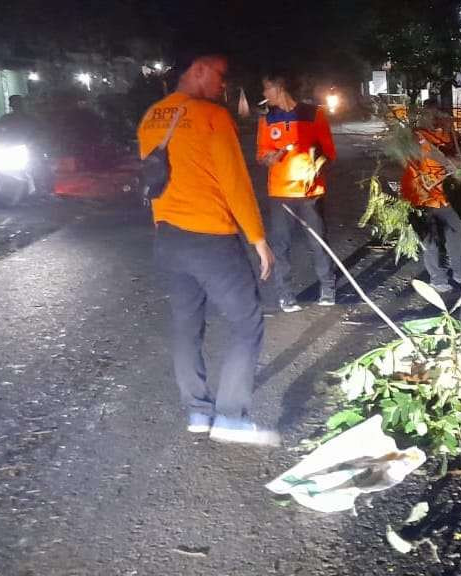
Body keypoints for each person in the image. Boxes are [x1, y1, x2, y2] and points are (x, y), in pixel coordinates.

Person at [137, 52, 279, 446]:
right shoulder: (212, 117)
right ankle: (232, 416)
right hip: (210, 239)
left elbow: (154, 181)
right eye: (219, 76)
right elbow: (235, 182)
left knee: (186, 326)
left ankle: (199, 411)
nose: (222, 85)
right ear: (197, 70)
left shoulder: (151, 117)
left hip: (168, 238)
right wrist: (258, 239)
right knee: (247, 322)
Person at [256, 71, 337, 312]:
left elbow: (329, 152)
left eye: (266, 89)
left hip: (310, 192)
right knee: (280, 246)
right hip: (280, 193)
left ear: (279, 87)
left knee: (318, 242)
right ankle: (285, 295)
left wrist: (317, 166)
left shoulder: (314, 114)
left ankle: (328, 289)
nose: (264, 94)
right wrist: (268, 158)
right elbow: (261, 155)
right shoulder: (266, 119)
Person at [400, 100, 461, 292]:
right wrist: (448, 161)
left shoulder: (446, 134)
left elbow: (452, 159)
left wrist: (460, 171)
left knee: (457, 228)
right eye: (433, 115)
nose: (438, 120)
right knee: (431, 238)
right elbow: (427, 156)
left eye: (442, 116)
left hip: (440, 195)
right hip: (419, 195)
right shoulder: (417, 136)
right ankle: (438, 279)